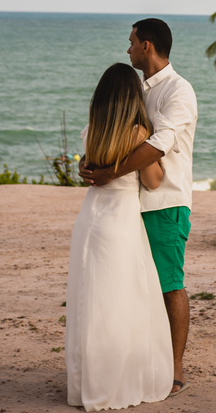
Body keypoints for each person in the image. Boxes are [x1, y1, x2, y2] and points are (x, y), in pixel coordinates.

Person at [80, 18, 198, 398]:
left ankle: (176, 366)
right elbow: (114, 134)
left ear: (146, 45)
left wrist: (106, 172)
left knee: (168, 285)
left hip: (164, 203)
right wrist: (89, 162)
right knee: (132, 290)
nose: (127, 49)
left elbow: (156, 146)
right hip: (128, 206)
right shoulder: (135, 90)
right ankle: (141, 363)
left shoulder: (178, 91)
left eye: (131, 43)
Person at [66, 63, 173, 411]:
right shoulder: (139, 132)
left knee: (89, 303)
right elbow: (153, 180)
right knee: (119, 304)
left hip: (89, 220)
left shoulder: (91, 131)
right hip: (120, 222)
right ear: (132, 95)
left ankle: (86, 386)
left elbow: (87, 167)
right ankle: (115, 384)